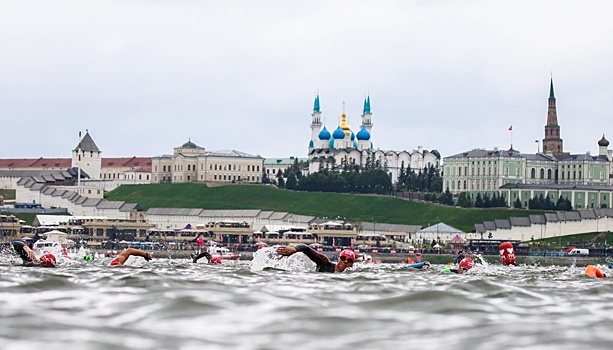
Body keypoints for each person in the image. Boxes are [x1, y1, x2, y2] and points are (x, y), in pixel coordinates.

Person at [276, 243, 355, 273]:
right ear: (339, 258)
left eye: (349, 260)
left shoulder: (352, 275)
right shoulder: (325, 263)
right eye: (343, 258)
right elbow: (306, 248)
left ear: (352, 264)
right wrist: (294, 249)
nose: (345, 261)